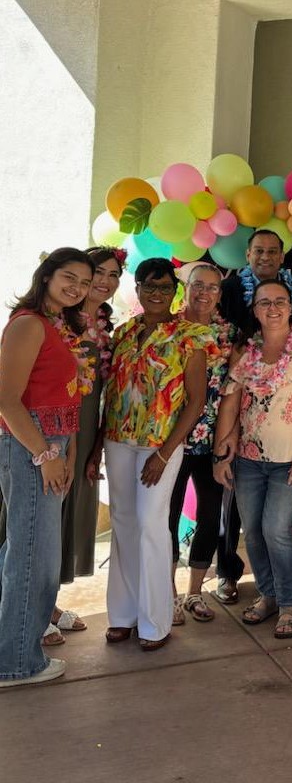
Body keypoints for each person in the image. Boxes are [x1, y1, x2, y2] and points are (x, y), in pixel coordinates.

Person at [213, 278, 292, 639]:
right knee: (252, 532)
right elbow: (231, 402)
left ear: (290, 306)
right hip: (248, 460)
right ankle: (267, 595)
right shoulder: (246, 351)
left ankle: (288, 604)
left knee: (276, 531)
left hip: (290, 460)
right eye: (265, 302)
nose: (273, 308)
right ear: (255, 309)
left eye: (280, 301)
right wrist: (222, 454)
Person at [103, 258, 209, 651]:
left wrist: (164, 454)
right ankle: (123, 615)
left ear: (175, 292)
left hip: (160, 445)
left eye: (165, 287)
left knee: (151, 524)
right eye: (150, 286)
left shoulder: (191, 336)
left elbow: (195, 402)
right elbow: (110, 395)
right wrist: (97, 447)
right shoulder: (123, 332)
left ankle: (155, 622)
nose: (157, 294)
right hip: (118, 440)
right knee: (123, 522)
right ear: (138, 289)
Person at [0, 248, 93, 687]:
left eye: (84, 282)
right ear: (47, 275)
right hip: (31, 447)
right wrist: (46, 455)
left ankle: (12, 647)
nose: (77, 287)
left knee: (25, 549)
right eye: (69, 277)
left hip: (48, 445)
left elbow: (60, 394)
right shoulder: (28, 324)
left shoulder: (53, 325)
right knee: (33, 556)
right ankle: (16, 662)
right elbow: (6, 400)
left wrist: (66, 452)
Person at [215, 227, 292, 604]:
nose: (265, 257)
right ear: (247, 255)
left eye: (272, 252)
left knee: (274, 522)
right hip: (238, 393)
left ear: (282, 256)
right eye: (258, 251)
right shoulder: (230, 290)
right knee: (236, 508)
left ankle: (283, 589)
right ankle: (228, 573)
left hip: (281, 411)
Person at [50, 246, 124, 642]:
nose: (105, 281)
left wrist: (96, 446)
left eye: (114, 275)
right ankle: (27, 608)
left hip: (86, 429)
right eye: (98, 272)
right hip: (53, 428)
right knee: (43, 515)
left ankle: (47, 601)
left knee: (68, 515)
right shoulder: (56, 319)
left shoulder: (106, 327)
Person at [169, 263, 236, 624]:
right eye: (198, 285)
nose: (204, 293)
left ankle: (195, 592)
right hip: (173, 440)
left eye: (212, 287)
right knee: (167, 516)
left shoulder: (229, 334)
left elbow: (236, 391)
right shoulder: (170, 329)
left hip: (212, 441)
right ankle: (168, 594)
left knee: (211, 516)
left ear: (220, 294)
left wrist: (227, 439)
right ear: (187, 288)